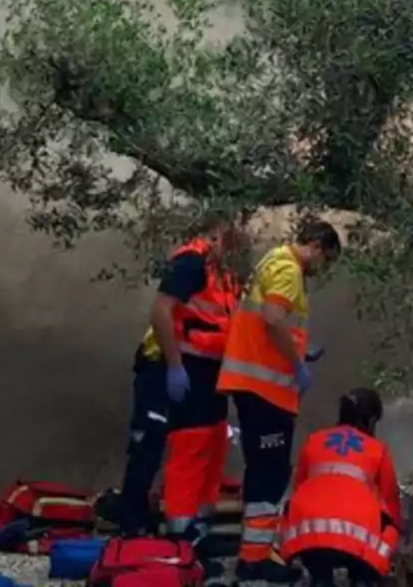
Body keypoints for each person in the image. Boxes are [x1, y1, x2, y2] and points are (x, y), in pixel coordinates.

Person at [216, 218, 342, 583]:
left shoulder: (271, 260)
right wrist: (297, 363)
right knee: (270, 472)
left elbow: (268, 323)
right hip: (265, 389)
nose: (322, 269)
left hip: (251, 384)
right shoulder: (288, 269)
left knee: (261, 468)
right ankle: (254, 558)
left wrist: (301, 350)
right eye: (326, 260)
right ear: (316, 246)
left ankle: (253, 551)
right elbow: (273, 319)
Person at [113, 219, 243, 538]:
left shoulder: (225, 276)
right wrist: (173, 364)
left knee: (200, 443)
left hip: (203, 371)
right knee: (149, 442)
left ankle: (186, 525)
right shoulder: (191, 263)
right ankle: (132, 523)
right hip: (165, 365)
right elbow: (161, 311)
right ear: (217, 234)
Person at [280, 388, 401, 587]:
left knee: (294, 507)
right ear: (371, 420)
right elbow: (391, 500)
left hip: (308, 539)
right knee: (390, 524)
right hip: (357, 545)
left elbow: (299, 486)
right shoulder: (377, 449)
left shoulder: (314, 439)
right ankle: (364, 576)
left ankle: (319, 576)